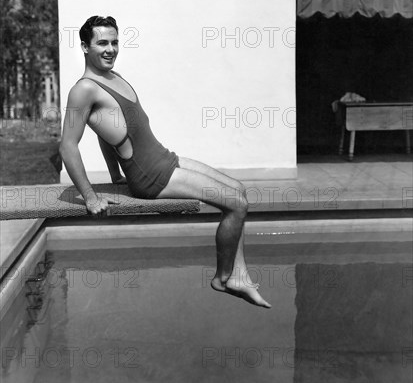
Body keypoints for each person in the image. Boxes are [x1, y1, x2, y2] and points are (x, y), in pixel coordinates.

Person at [60, 16, 271, 308]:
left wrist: (114, 173)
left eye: (114, 42)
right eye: (102, 43)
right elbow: (67, 145)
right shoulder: (83, 90)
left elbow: (103, 129)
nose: (110, 49)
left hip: (163, 159)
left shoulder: (113, 77)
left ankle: (239, 274)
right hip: (151, 176)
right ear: (85, 46)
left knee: (238, 188)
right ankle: (224, 278)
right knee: (237, 204)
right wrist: (90, 197)